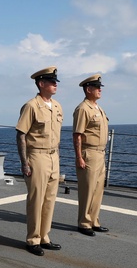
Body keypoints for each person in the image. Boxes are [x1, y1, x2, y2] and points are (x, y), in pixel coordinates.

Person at [16, 67, 64, 256]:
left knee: (50, 199)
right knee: (36, 200)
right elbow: (21, 134)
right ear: (41, 84)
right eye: (51, 82)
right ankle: (33, 239)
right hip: (37, 156)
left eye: (55, 82)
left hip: (53, 157)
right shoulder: (31, 106)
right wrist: (24, 162)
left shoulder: (58, 106)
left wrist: (57, 156)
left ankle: (45, 237)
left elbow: (57, 135)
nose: (55, 84)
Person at [72, 74, 109, 236]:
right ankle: (84, 223)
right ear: (88, 89)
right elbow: (77, 134)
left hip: (100, 154)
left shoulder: (98, 108)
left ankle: (94, 220)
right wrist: (79, 157)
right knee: (87, 190)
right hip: (90, 153)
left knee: (98, 190)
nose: (100, 89)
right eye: (97, 87)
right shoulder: (83, 109)